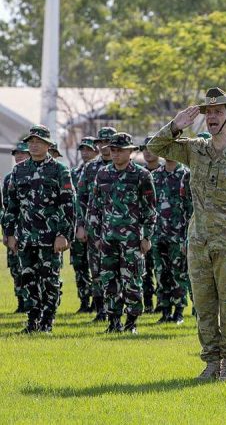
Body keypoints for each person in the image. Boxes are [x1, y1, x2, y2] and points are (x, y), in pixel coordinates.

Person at [148, 87, 226, 382]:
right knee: (203, 306)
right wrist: (176, 125)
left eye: (217, 112)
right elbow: (155, 147)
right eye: (208, 112)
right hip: (199, 241)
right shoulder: (195, 149)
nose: (212, 117)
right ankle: (211, 361)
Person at [2, 125, 75, 333]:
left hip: (50, 238)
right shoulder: (19, 170)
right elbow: (11, 205)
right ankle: (32, 321)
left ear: (47, 145)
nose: (33, 145)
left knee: (50, 280)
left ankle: (47, 321)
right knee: (28, 279)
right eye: (31, 142)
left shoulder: (60, 170)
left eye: (38, 142)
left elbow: (69, 206)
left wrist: (63, 235)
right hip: (25, 237)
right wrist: (9, 233)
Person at [89, 133, 156, 334]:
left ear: (130, 151)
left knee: (133, 280)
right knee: (109, 281)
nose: (116, 154)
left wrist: (147, 237)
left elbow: (150, 209)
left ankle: (131, 322)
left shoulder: (142, 175)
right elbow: (95, 207)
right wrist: (96, 236)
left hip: (132, 240)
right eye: (113, 150)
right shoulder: (102, 174)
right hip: (108, 238)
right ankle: (113, 321)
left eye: (120, 150)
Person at [76, 126, 117, 322]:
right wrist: (81, 225)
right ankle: (101, 310)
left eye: (108, 142)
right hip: (95, 228)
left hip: (119, 228)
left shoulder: (124, 165)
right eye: (101, 143)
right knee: (97, 270)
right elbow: (81, 198)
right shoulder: (90, 167)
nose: (104, 147)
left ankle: (118, 308)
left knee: (118, 269)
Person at [151, 148, 193, 324]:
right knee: (161, 274)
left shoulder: (186, 175)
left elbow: (190, 209)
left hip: (178, 235)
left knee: (178, 274)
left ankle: (179, 312)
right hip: (158, 234)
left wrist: (187, 238)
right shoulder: (155, 175)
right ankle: (165, 311)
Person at [70, 137, 99, 313]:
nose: (85, 152)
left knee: (97, 266)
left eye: (88, 149)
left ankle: (98, 302)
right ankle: (84, 301)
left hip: (97, 227)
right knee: (79, 266)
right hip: (79, 225)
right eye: (82, 149)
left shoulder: (101, 169)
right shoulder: (74, 172)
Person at [3, 141, 30, 313]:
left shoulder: (35, 174)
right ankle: (20, 302)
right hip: (14, 230)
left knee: (31, 269)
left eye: (22, 153)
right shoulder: (8, 178)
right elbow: (6, 208)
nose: (18, 156)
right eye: (16, 154)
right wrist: (6, 233)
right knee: (15, 268)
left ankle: (32, 303)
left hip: (32, 231)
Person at [140, 136, 162, 313]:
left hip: (165, 230)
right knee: (145, 270)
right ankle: (147, 304)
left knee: (162, 271)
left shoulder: (167, 171)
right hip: (145, 230)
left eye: (150, 148)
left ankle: (163, 304)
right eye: (144, 148)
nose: (147, 152)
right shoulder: (139, 174)